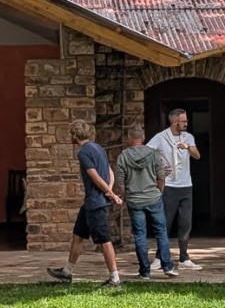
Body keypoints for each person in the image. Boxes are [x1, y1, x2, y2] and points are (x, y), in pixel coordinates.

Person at [47, 118, 123, 288]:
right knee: (78, 235)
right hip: (90, 202)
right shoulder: (99, 148)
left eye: (70, 134)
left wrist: (109, 193)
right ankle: (67, 272)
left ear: (74, 135)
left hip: (96, 204)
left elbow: (95, 177)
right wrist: (110, 191)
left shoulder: (83, 153)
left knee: (104, 240)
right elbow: (110, 172)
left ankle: (115, 278)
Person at [116, 125, 179, 280]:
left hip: (134, 200)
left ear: (129, 138)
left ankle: (145, 271)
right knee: (161, 232)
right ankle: (167, 266)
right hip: (154, 198)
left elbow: (121, 183)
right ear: (143, 138)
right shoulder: (153, 154)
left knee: (140, 235)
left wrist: (124, 197)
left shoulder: (123, 156)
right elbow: (161, 177)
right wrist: (159, 192)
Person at [148, 106, 200, 266]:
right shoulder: (161, 137)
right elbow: (147, 153)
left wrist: (188, 147)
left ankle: (184, 257)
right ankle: (159, 257)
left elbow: (197, 156)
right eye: (183, 121)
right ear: (175, 122)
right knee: (166, 222)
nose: (186, 123)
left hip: (186, 185)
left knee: (185, 222)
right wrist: (159, 167)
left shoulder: (188, 137)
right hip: (169, 186)